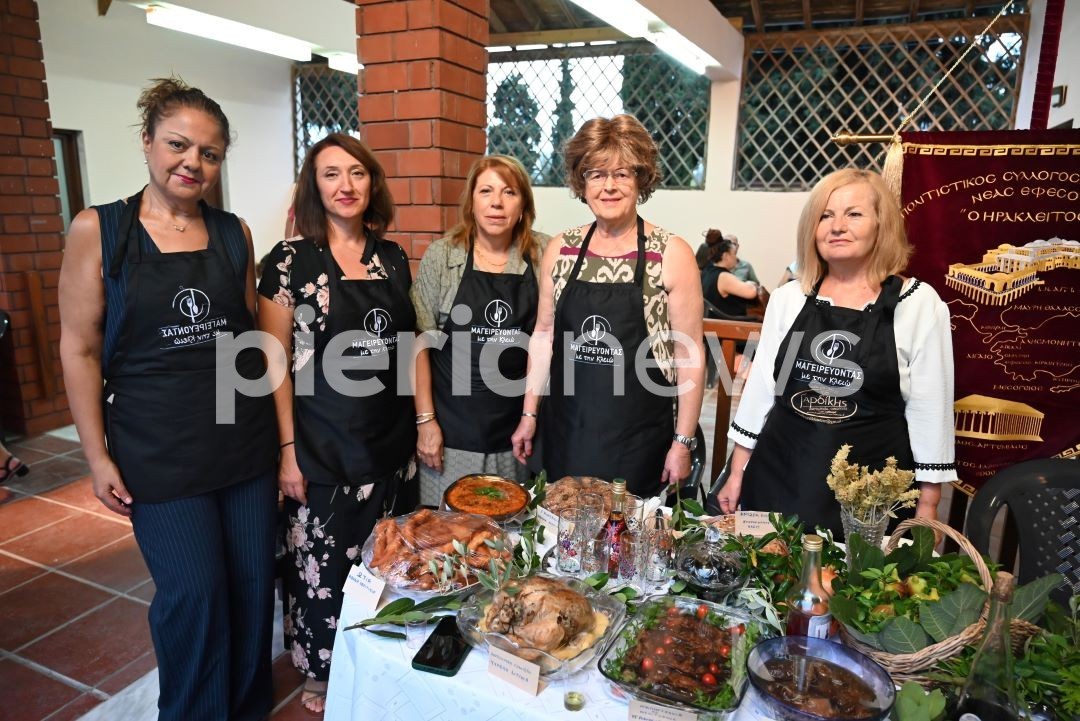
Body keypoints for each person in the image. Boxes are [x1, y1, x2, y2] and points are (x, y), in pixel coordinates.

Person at [58, 78, 278, 720]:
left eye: (209, 154)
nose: (192, 163)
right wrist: (96, 456)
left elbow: (245, 341)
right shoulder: (100, 229)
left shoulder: (234, 234)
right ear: (148, 140)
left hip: (243, 443)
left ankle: (246, 709)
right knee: (194, 594)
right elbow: (79, 349)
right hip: (158, 451)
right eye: (178, 145)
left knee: (250, 587)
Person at [257, 133, 415, 714]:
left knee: (388, 561)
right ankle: (321, 670)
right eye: (330, 174)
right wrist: (287, 450)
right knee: (321, 568)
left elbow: (407, 349)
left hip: (388, 439)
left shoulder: (392, 256)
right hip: (321, 442)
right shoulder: (288, 262)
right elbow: (273, 363)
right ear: (314, 186)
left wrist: (422, 421)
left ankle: (378, 656)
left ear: (372, 182)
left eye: (356, 173)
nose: (345, 185)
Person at [713, 168, 956, 537]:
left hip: (868, 499)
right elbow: (761, 390)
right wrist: (737, 472)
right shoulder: (789, 299)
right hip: (778, 477)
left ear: (882, 224)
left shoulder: (918, 305)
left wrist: (928, 505)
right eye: (825, 215)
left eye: (853, 214)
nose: (837, 226)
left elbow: (930, 411)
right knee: (767, 568)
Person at [511, 114, 705, 498]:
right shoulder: (561, 250)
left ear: (641, 178)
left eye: (622, 173)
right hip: (567, 432)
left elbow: (690, 354)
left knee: (632, 534)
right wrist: (529, 414)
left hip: (640, 441)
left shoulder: (671, 253)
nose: (609, 186)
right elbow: (544, 336)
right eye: (596, 174)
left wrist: (683, 442)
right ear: (581, 182)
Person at [411, 156, 542, 505]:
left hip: (518, 433)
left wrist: (530, 418)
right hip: (450, 433)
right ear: (471, 201)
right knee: (447, 531)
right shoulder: (443, 256)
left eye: (509, 192)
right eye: (486, 191)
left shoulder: (543, 256)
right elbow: (419, 343)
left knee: (508, 527)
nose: (497, 202)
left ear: (523, 205)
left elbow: (548, 341)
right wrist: (426, 422)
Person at [701, 233, 759, 320]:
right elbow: (751, 292)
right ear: (726, 256)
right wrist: (750, 284)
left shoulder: (707, 270)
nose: (736, 258)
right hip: (727, 325)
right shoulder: (723, 276)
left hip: (712, 322)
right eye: (734, 254)